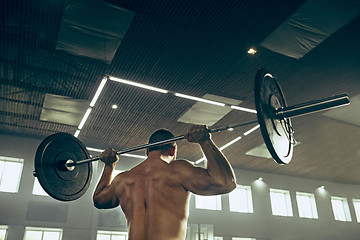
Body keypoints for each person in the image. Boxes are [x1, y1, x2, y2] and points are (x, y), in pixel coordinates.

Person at [93, 125, 236, 240]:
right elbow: (225, 183)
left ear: (147, 151)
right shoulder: (177, 171)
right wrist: (205, 141)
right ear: (173, 151)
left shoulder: (123, 179)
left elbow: (99, 200)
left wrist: (109, 166)